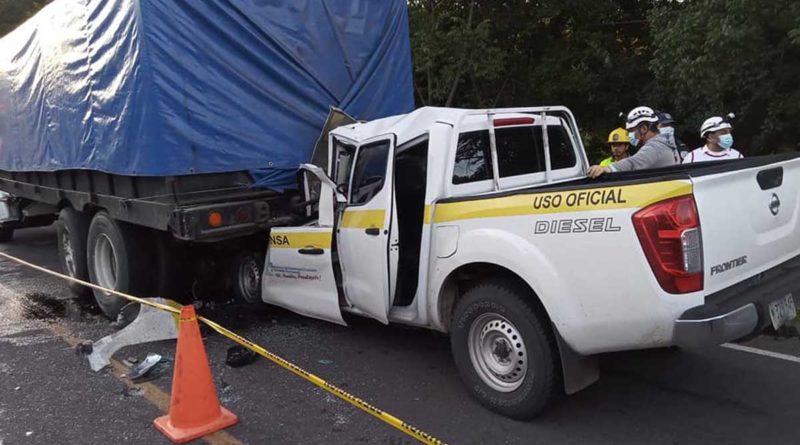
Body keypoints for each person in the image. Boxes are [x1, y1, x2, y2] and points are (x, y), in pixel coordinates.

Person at [587, 106, 680, 178]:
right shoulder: (663, 143)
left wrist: (607, 168)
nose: (630, 135)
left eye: (631, 131)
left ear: (644, 129)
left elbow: (634, 163)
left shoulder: (655, 146)